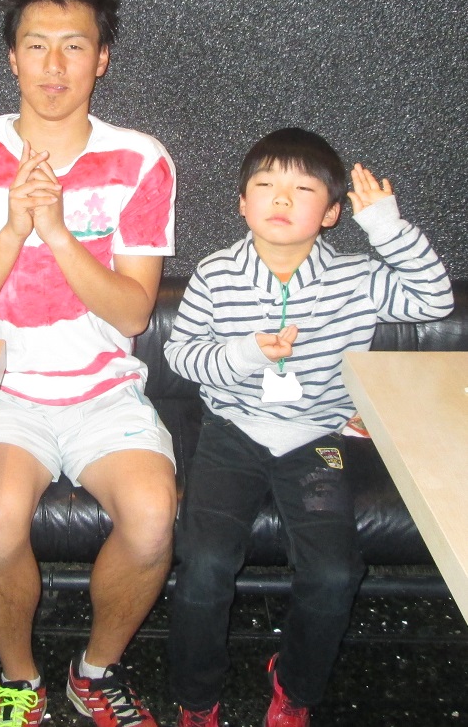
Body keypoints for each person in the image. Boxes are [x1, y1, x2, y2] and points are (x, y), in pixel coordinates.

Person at [0, 0, 177, 727]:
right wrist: (11, 228)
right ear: (12, 56)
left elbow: (132, 314)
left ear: (101, 58)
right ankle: (19, 679)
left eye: (74, 46)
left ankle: (94, 672)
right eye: (36, 45)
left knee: (152, 516)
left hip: (103, 388)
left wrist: (59, 232)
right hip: (2, 389)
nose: (54, 65)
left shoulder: (140, 160)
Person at [164, 128, 455, 727]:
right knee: (204, 562)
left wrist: (387, 230)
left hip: (318, 436)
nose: (281, 198)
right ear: (242, 203)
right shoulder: (216, 273)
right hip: (231, 428)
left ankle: (295, 687)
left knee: (334, 572)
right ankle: (196, 697)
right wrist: (244, 355)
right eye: (265, 185)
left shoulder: (356, 277)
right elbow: (180, 355)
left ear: (330, 213)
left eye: (302, 189)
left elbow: (434, 302)